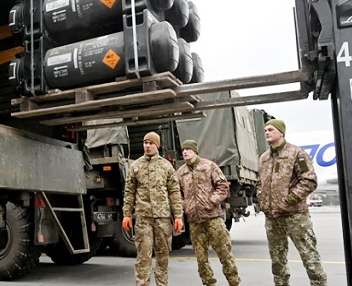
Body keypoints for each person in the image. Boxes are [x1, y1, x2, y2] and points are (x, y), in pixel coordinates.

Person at [257, 119, 327, 286]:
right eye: (265, 130)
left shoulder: (296, 153)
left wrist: (290, 199)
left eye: (271, 129)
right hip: (273, 218)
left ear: (281, 132)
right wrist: (262, 199)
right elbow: (260, 182)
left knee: (310, 257)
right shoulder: (264, 158)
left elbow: (309, 180)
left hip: (295, 216)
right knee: (277, 262)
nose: (267, 132)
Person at [176, 139, 241, 286]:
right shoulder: (181, 172)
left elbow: (223, 186)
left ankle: (234, 282)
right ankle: (208, 283)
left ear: (195, 151)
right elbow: (175, 193)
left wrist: (211, 201)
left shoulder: (209, 166)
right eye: (183, 150)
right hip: (194, 222)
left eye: (188, 149)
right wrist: (184, 205)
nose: (185, 152)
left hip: (213, 219)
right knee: (201, 259)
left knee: (225, 254)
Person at [122, 132, 184, 286]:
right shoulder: (135, 166)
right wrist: (127, 214)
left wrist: (178, 216)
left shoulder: (166, 166)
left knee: (163, 257)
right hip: (143, 219)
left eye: (151, 143)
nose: (147, 146)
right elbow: (129, 192)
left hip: (162, 219)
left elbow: (174, 192)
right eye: (145, 142)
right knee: (143, 257)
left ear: (157, 145)